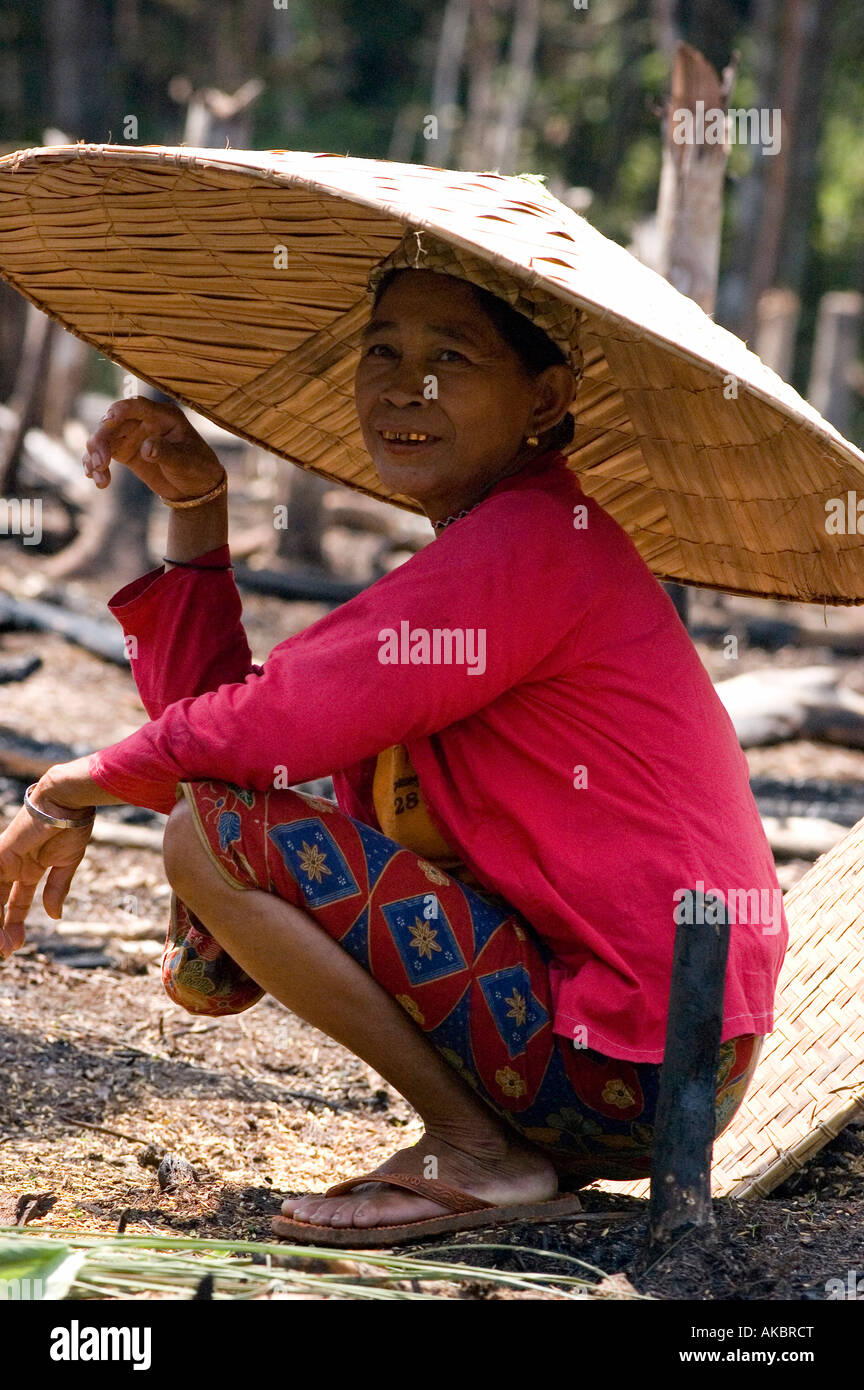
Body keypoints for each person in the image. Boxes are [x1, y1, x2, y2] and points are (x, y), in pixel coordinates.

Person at [0, 251, 786, 1245]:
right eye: (383, 351)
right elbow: (245, 742)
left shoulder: (532, 542)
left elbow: (267, 732)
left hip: (634, 1057)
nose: (404, 388)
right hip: (634, 1052)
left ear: (543, 398)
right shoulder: (500, 540)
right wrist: (198, 515)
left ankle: (483, 1155)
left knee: (210, 837)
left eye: (450, 357)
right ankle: (488, 1147)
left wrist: (72, 783)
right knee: (220, 821)